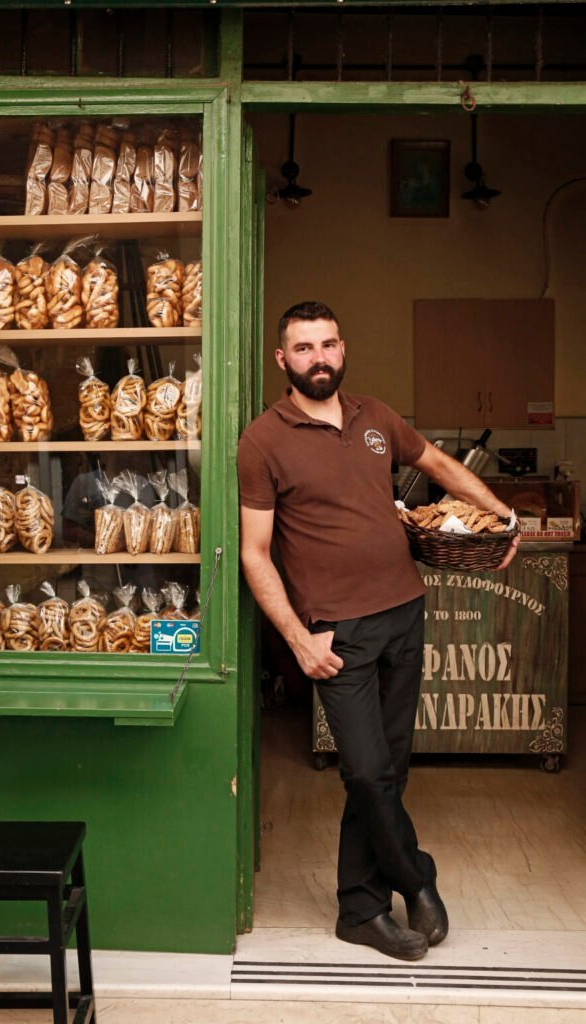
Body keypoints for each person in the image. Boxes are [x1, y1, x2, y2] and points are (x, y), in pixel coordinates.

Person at [237, 301, 519, 962]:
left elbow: (441, 468)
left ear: (343, 349)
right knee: (365, 773)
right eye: (303, 348)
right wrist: (298, 637)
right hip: (339, 632)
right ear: (283, 360)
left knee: (390, 769)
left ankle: (359, 909)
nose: (319, 358)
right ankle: (415, 876)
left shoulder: (374, 416)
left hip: (404, 612)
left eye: (329, 344)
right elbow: (254, 552)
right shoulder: (264, 439)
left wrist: (504, 515)